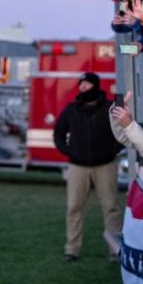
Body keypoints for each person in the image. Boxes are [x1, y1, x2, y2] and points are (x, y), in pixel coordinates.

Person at [52, 73, 123, 261]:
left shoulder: (109, 108)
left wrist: (111, 151)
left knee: (111, 208)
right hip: (77, 166)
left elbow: (122, 132)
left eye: (86, 83)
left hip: (105, 165)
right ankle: (72, 249)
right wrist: (69, 151)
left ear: (95, 85)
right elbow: (58, 133)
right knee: (74, 208)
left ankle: (115, 251)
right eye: (81, 83)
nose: (82, 87)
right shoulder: (72, 109)